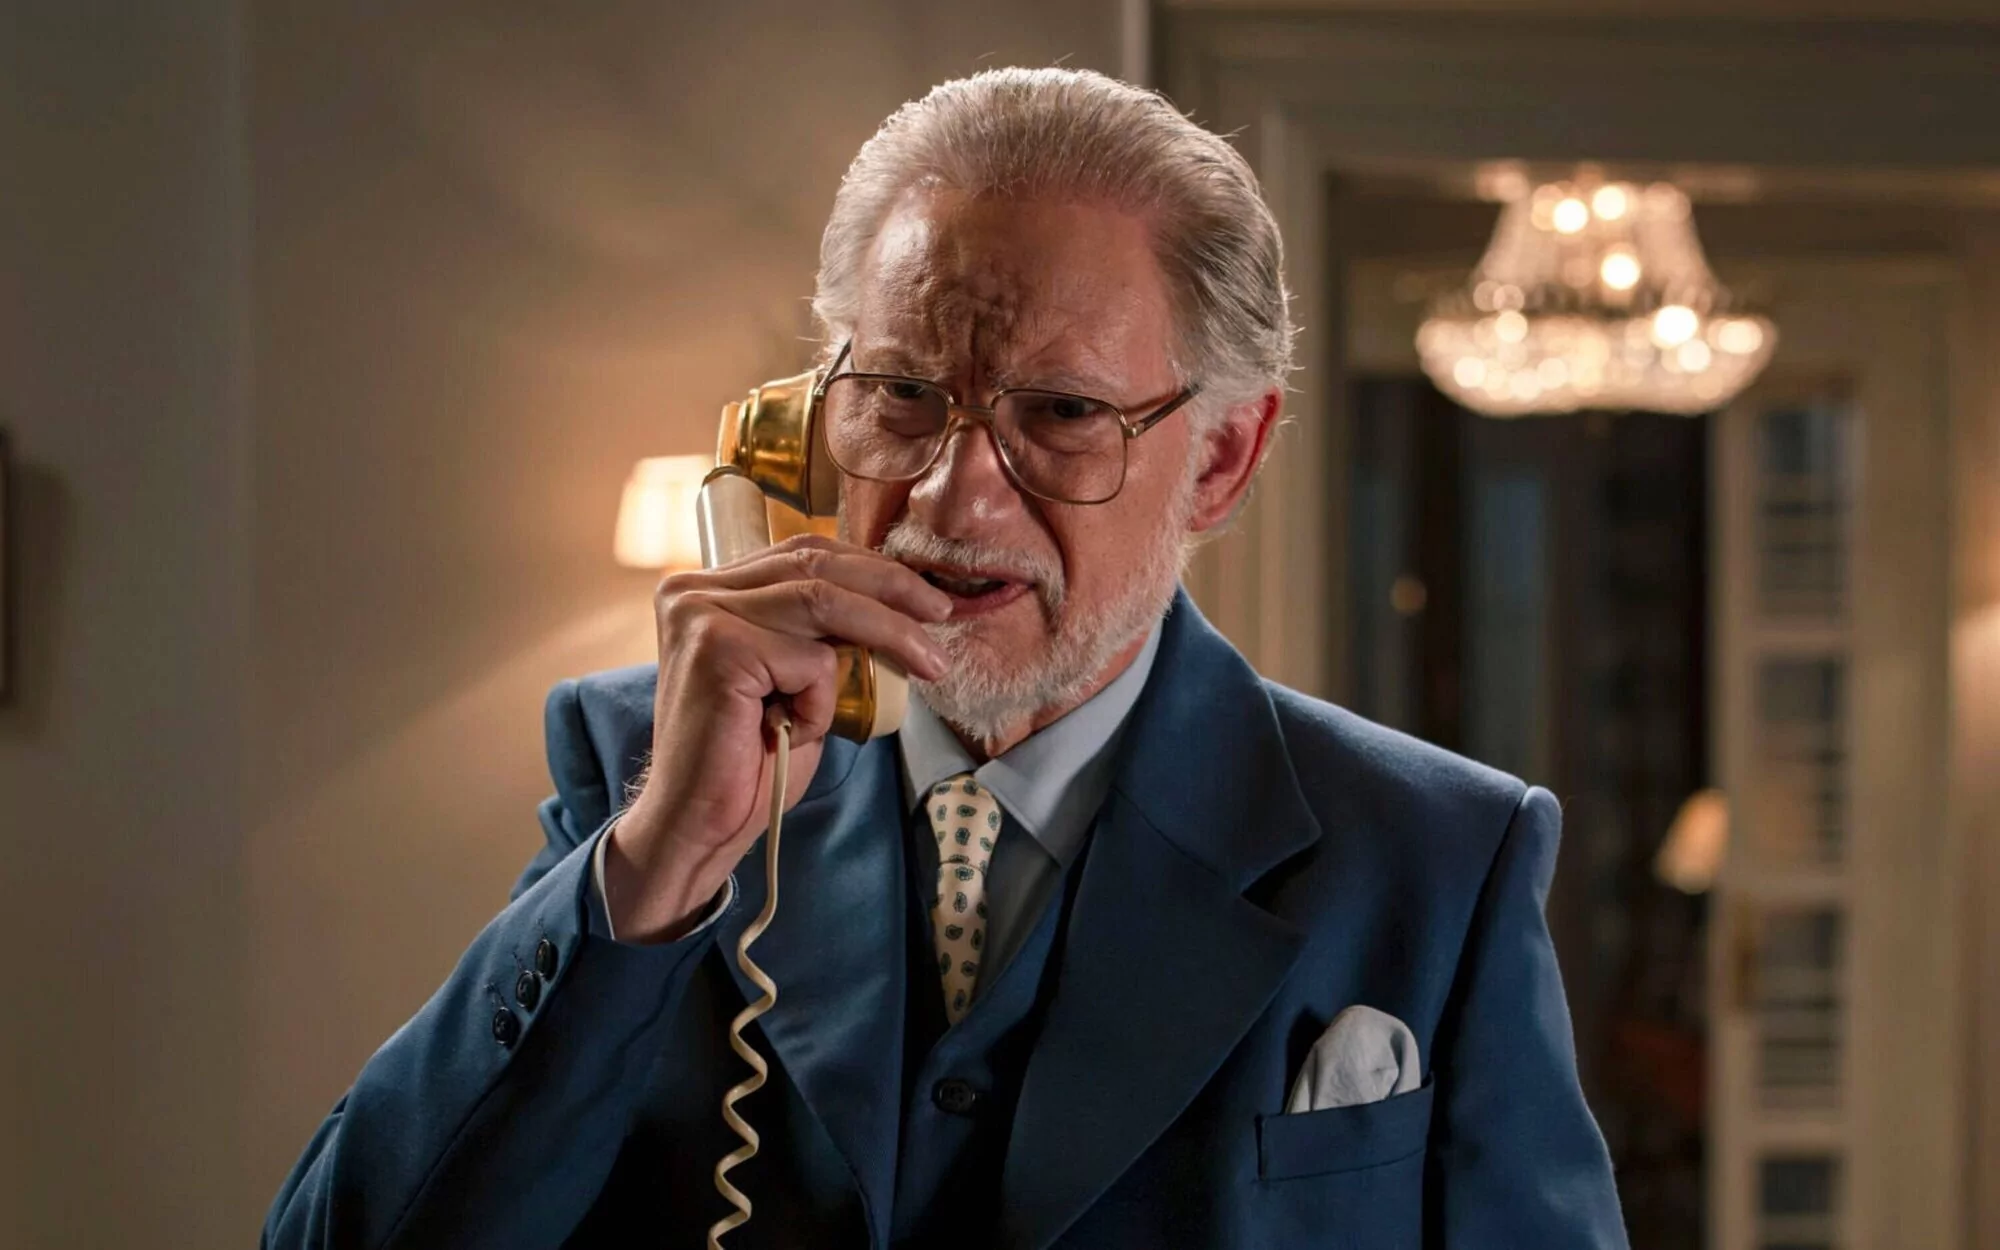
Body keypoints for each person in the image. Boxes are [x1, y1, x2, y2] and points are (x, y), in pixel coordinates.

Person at [265, 67, 1627, 1249]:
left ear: (1220, 458)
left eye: (1062, 412)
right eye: (905, 395)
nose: (951, 496)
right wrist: (654, 870)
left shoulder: (1438, 857)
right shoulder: (634, 769)